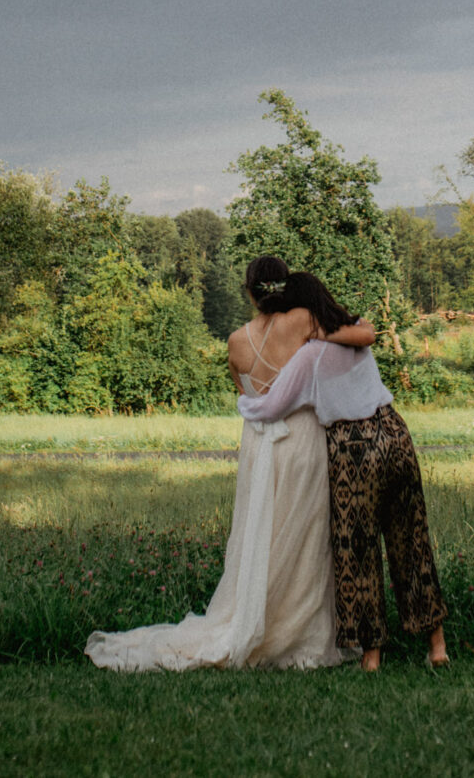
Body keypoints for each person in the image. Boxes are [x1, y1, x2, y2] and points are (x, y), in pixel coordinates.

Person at [84, 255, 372, 673]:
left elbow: (249, 394)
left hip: (258, 446)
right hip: (302, 438)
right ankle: (302, 632)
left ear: (249, 293)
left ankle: (254, 618)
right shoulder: (305, 321)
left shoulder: (235, 341)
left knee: (262, 533)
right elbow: (361, 338)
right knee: (305, 534)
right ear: (285, 287)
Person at [237, 271, 448, 672]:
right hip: (394, 432)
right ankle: (436, 645)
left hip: (353, 448)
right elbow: (366, 332)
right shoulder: (354, 332)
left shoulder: (308, 356)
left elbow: (271, 406)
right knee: (412, 540)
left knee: (358, 550)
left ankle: (371, 656)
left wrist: (243, 403)